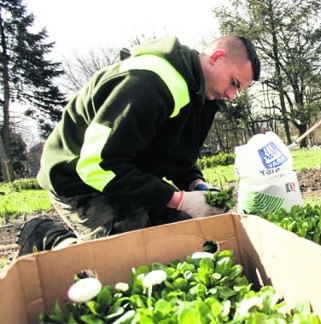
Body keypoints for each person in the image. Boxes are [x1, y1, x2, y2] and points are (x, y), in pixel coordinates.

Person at [18, 35, 261, 255]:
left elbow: (176, 156)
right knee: (128, 258)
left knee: (193, 240)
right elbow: (97, 165)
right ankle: (48, 236)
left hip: (128, 174)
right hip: (79, 180)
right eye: (233, 83)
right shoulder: (147, 83)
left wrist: (195, 184)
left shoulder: (202, 95)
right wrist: (179, 200)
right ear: (216, 58)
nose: (231, 96)